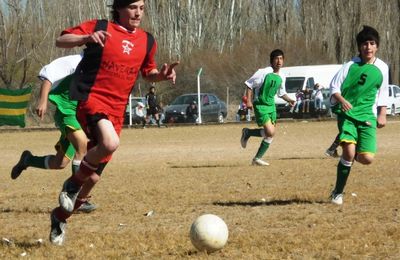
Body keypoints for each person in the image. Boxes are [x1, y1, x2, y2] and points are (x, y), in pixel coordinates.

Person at [49, 0, 178, 245]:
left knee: (93, 180)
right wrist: (86, 37)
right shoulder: (100, 26)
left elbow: (148, 71)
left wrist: (160, 76)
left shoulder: (147, 40)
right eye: (132, 7)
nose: (138, 12)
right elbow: (61, 40)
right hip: (92, 99)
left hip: (117, 110)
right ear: (118, 8)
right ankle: (71, 183)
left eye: (141, 7)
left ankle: (59, 217)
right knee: (109, 143)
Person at [10, 54, 97, 213]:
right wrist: (42, 101)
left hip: (79, 116)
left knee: (60, 163)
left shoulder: (102, 67)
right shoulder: (77, 61)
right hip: (66, 112)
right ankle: (76, 198)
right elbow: (49, 75)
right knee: (81, 145)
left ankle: (27, 160)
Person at [329, 25, 389, 205]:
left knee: (367, 158)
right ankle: (337, 193)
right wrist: (341, 100)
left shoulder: (382, 68)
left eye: (372, 43)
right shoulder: (350, 65)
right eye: (364, 44)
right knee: (348, 151)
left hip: (367, 117)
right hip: (347, 115)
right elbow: (334, 87)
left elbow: (383, 92)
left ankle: (346, 150)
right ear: (359, 47)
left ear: (377, 46)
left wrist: (382, 114)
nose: (368, 47)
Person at [240, 49, 295, 166]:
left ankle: (252, 145)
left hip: (271, 106)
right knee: (270, 132)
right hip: (260, 105)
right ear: (272, 60)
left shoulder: (282, 76)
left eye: (281, 58)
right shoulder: (264, 72)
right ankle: (254, 151)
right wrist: (249, 101)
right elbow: (249, 84)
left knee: (270, 134)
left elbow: (281, 93)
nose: (279, 61)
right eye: (276, 59)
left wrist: (289, 100)